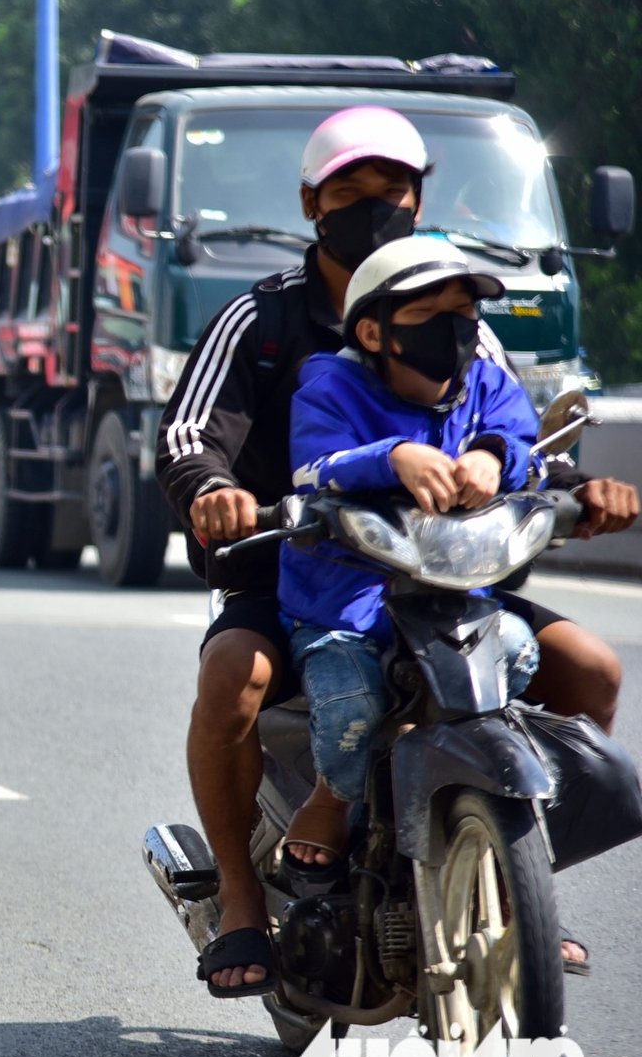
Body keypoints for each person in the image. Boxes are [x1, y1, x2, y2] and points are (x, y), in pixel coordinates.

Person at [156, 106, 639, 995]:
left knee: (589, 669)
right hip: (304, 581)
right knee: (234, 674)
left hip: (448, 578)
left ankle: (518, 882)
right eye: (351, 191)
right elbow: (189, 434)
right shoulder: (262, 324)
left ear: (420, 201)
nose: (375, 206)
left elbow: (515, 434)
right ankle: (237, 900)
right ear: (312, 202)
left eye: (394, 191)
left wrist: (575, 489)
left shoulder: (464, 321)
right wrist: (215, 494)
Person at [283, 240, 538, 826]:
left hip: (456, 599)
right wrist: (394, 457)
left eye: (465, 315)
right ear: (374, 334)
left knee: (520, 652)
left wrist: (494, 456)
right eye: (429, 315)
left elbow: (529, 447)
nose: (453, 331)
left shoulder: (489, 384)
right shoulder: (328, 385)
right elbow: (311, 470)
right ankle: (330, 797)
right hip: (343, 607)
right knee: (352, 707)